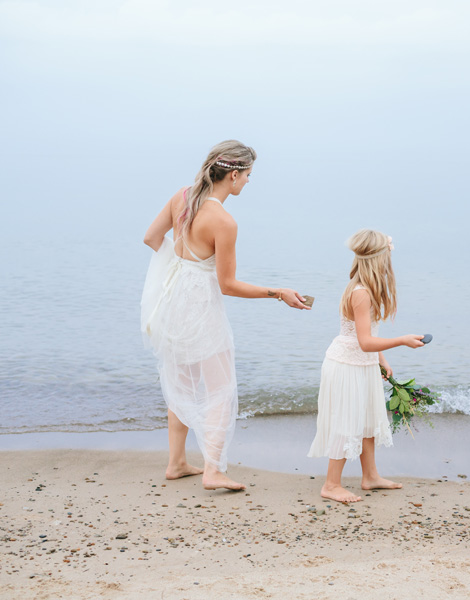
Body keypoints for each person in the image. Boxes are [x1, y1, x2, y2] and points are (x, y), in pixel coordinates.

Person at [141, 140, 310, 491]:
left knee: (182, 382)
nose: (248, 181)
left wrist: (180, 268)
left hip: (173, 299)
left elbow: (151, 238)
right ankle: (213, 470)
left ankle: (176, 463)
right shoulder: (224, 221)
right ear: (233, 175)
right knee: (220, 387)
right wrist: (278, 293)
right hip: (200, 305)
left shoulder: (182, 197)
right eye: (248, 175)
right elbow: (228, 284)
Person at [307, 229, 424, 503]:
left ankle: (370, 476)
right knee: (346, 422)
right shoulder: (361, 294)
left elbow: (369, 336)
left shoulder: (367, 289)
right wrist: (402, 341)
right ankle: (331, 484)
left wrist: (381, 359)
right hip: (346, 364)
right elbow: (364, 342)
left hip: (363, 362)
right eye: (387, 257)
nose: (389, 263)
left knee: (368, 420)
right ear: (377, 260)